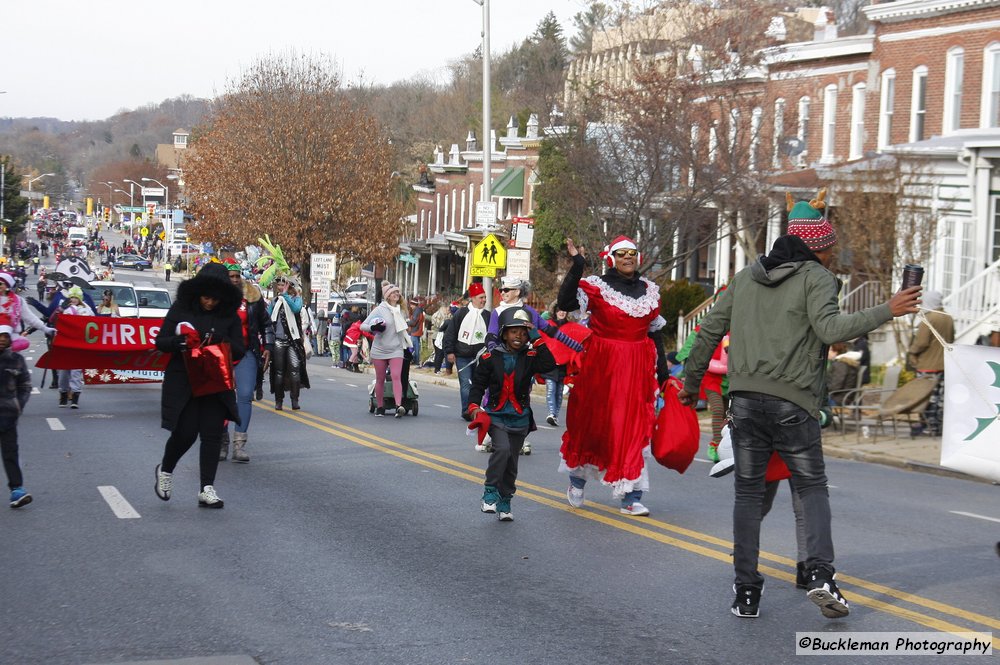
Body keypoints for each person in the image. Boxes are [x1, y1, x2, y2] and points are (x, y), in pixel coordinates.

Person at [678, 190, 921, 619]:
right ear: (816, 247)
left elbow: (708, 331)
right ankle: (820, 576)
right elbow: (830, 329)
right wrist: (889, 309)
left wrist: (690, 386)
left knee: (749, 497)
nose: (832, 257)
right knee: (810, 488)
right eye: (829, 250)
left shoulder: (745, 277)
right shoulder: (816, 277)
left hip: (747, 404)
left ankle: (746, 593)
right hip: (793, 404)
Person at [556, 236, 668, 516]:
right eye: (621, 254)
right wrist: (578, 264)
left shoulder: (650, 291)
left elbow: (656, 333)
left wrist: (664, 373)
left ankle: (631, 496)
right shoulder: (598, 287)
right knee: (593, 425)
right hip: (602, 366)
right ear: (611, 258)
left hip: (638, 368)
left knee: (634, 428)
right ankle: (577, 482)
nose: (627, 257)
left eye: (632, 253)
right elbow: (566, 301)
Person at [154, 262, 245, 508]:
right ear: (197, 293)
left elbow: (240, 348)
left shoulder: (229, 315)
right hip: (184, 380)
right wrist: (178, 343)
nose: (210, 303)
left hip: (215, 382)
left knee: (212, 434)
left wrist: (221, 340)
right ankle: (166, 470)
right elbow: (160, 341)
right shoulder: (181, 309)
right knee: (185, 433)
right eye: (206, 297)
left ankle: (207, 488)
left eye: (216, 299)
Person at [469, 307, 556, 521]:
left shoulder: (530, 356)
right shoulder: (491, 357)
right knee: (502, 450)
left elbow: (550, 365)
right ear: (504, 334)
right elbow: (478, 385)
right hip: (496, 415)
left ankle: (505, 499)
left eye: (523, 332)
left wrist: (536, 337)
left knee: (512, 463)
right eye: (514, 331)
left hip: (520, 418)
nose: (519, 336)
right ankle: (490, 492)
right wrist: (473, 407)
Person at [221, 260, 274, 463]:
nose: (234, 280)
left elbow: (265, 323)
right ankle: (221, 442)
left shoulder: (252, 296)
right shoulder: (214, 297)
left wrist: (268, 346)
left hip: (246, 352)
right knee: (221, 398)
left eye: (237, 277)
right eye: (230, 277)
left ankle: (239, 445)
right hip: (220, 353)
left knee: (244, 395)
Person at [906, 291, 954, 436]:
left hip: (927, 365)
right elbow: (951, 339)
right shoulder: (948, 318)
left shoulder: (929, 318)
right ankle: (937, 427)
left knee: (926, 397)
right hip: (944, 364)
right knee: (939, 398)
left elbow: (921, 342)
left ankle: (926, 426)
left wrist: (912, 352)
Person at [362, 282, 411, 417]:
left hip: (396, 349)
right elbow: (363, 326)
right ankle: (380, 407)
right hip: (380, 349)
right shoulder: (380, 309)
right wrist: (373, 327)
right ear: (387, 296)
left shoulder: (401, 310)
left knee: (396, 376)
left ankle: (398, 406)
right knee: (380, 378)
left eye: (397, 292)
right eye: (393, 292)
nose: (396, 294)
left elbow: (403, 329)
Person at [0, 314, 33, 508]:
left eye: (5, 336)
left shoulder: (16, 360)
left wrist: (18, 405)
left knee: (10, 453)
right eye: (0, 335)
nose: (2, 339)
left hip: (7, 415)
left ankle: (17, 490)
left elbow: (25, 386)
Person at [444, 283, 491, 419]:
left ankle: (475, 408)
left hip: (481, 357)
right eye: (481, 297)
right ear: (473, 298)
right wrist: (450, 351)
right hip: (462, 355)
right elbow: (451, 333)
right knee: (465, 384)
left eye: (484, 297)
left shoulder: (488, 316)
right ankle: (467, 410)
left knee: (478, 384)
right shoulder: (461, 313)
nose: (483, 300)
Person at [268, 276, 310, 411]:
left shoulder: (296, 299)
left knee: (295, 370)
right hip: (278, 341)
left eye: (283, 285)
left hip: (293, 341)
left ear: (290, 287)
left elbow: (296, 309)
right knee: (278, 372)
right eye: (279, 285)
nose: (281, 287)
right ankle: (278, 401)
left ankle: (295, 399)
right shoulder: (274, 301)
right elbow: (267, 318)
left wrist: (286, 296)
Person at [56, 286, 94, 408]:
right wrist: (60, 310)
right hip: (65, 344)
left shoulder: (86, 310)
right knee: (63, 372)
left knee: (76, 372)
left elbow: (93, 324)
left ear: (80, 298)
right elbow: (54, 319)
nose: (73, 299)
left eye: (75, 297)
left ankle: (75, 398)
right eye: (71, 297)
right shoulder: (64, 308)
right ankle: (63, 394)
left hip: (78, 344)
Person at [0, 272, 53, 352]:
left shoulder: (18, 300)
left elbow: (30, 318)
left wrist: (45, 329)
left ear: (7, 285)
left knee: (21, 346)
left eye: (1, 283)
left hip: (10, 340)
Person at [541, 307, 571, 426]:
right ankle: (551, 413)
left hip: (563, 364)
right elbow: (542, 338)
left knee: (559, 391)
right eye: (559, 310)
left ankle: (555, 415)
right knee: (551, 388)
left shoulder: (570, 327)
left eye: (564, 310)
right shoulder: (548, 325)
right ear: (555, 312)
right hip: (550, 363)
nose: (562, 312)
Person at [430, 301, 454, 375]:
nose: (448, 310)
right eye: (447, 309)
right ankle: (437, 369)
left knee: (438, 354)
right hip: (438, 336)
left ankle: (437, 369)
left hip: (436, 335)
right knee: (439, 354)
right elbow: (440, 326)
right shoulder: (439, 315)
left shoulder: (437, 314)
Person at [407, 297, 425, 366]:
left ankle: (416, 361)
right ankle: (416, 360)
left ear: (414, 304)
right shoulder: (419, 310)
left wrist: (407, 323)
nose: (410, 306)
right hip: (417, 331)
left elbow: (414, 322)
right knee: (416, 346)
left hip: (415, 331)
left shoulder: (417, 311)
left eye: (411, 304)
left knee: (414, 347)